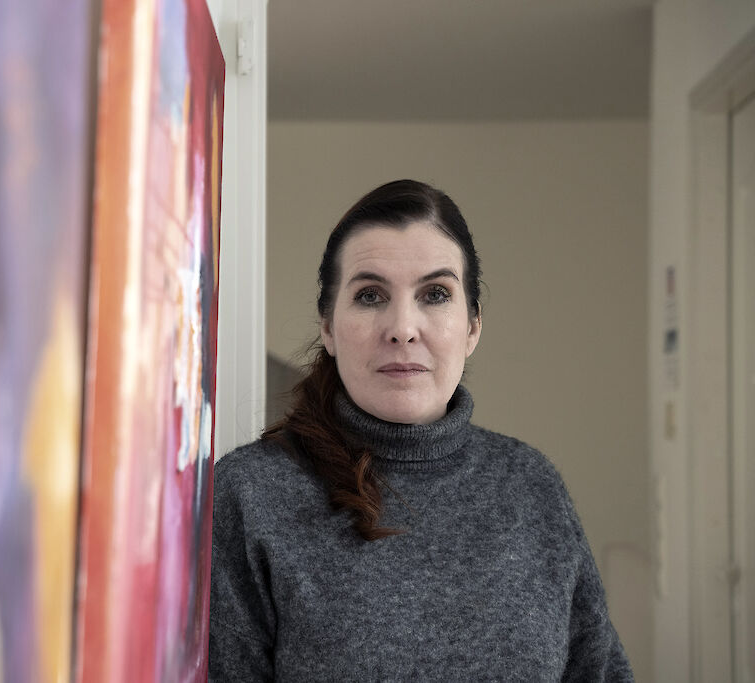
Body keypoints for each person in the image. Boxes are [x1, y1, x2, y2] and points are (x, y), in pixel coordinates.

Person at [208, 179, 633, 681]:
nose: (403, 328)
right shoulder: (250, 494)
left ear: (472, 326)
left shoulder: (531, 485)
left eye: (435, 294)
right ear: (327, 327)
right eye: (370, 295)